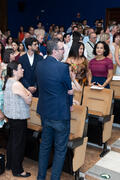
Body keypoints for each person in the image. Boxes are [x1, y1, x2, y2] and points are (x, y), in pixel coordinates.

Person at [36, 39, 73, 180]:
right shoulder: (63, 68)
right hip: (60, 113)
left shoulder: (39, 65)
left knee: (45, 146)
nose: (64, 51)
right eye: (62, 49)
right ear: (55, 51)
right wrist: (70, 101)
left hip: (45, 112)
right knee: (59, 149)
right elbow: (69, 90)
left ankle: (41, 177)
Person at [3, 61, 32, 178]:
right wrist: (28, 93)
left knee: (12, 142)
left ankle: (9, 164)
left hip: (11, 117)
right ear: (14, 71)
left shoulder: (9, 81)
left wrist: (27, 93)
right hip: (18, 118)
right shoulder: (17, 84)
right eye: (21, 68)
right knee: (18, 144)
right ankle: (18, 170)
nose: (23, 70)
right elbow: (29, 99)